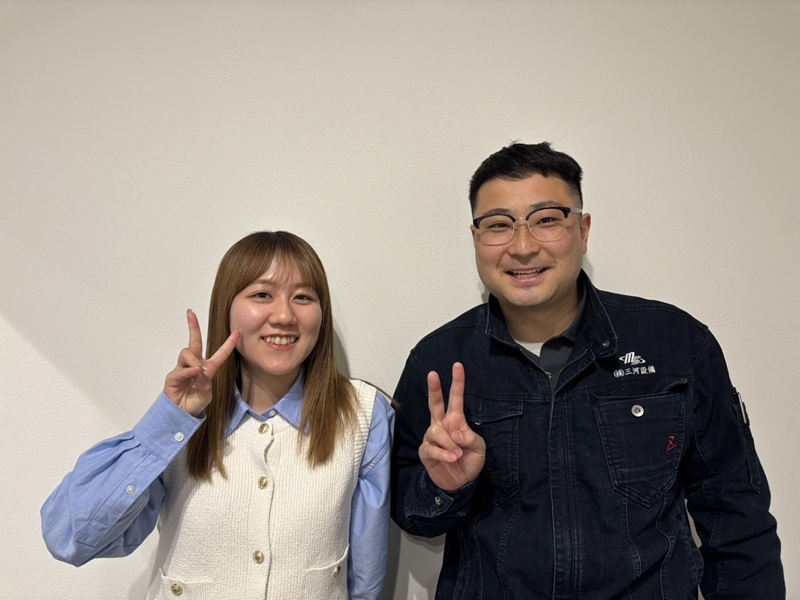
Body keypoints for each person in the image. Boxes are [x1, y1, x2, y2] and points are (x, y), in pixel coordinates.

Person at [390, 143, 784, 599]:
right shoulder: (439, 362)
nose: (523, 246)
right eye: (498, 225)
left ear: (583, 229)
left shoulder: (677, 344)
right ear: (476, 238)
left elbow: (737, 514)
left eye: (546, 219)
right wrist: (444, 487)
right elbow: (410, 513)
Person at [42, 231, 394, 600]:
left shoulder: (363, 414)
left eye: (303, 297)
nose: (285, 315)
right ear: (227, 308)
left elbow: (366, 579)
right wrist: (167, 423)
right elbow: (70, 537)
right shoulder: (180, 422)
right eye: (262, 294)